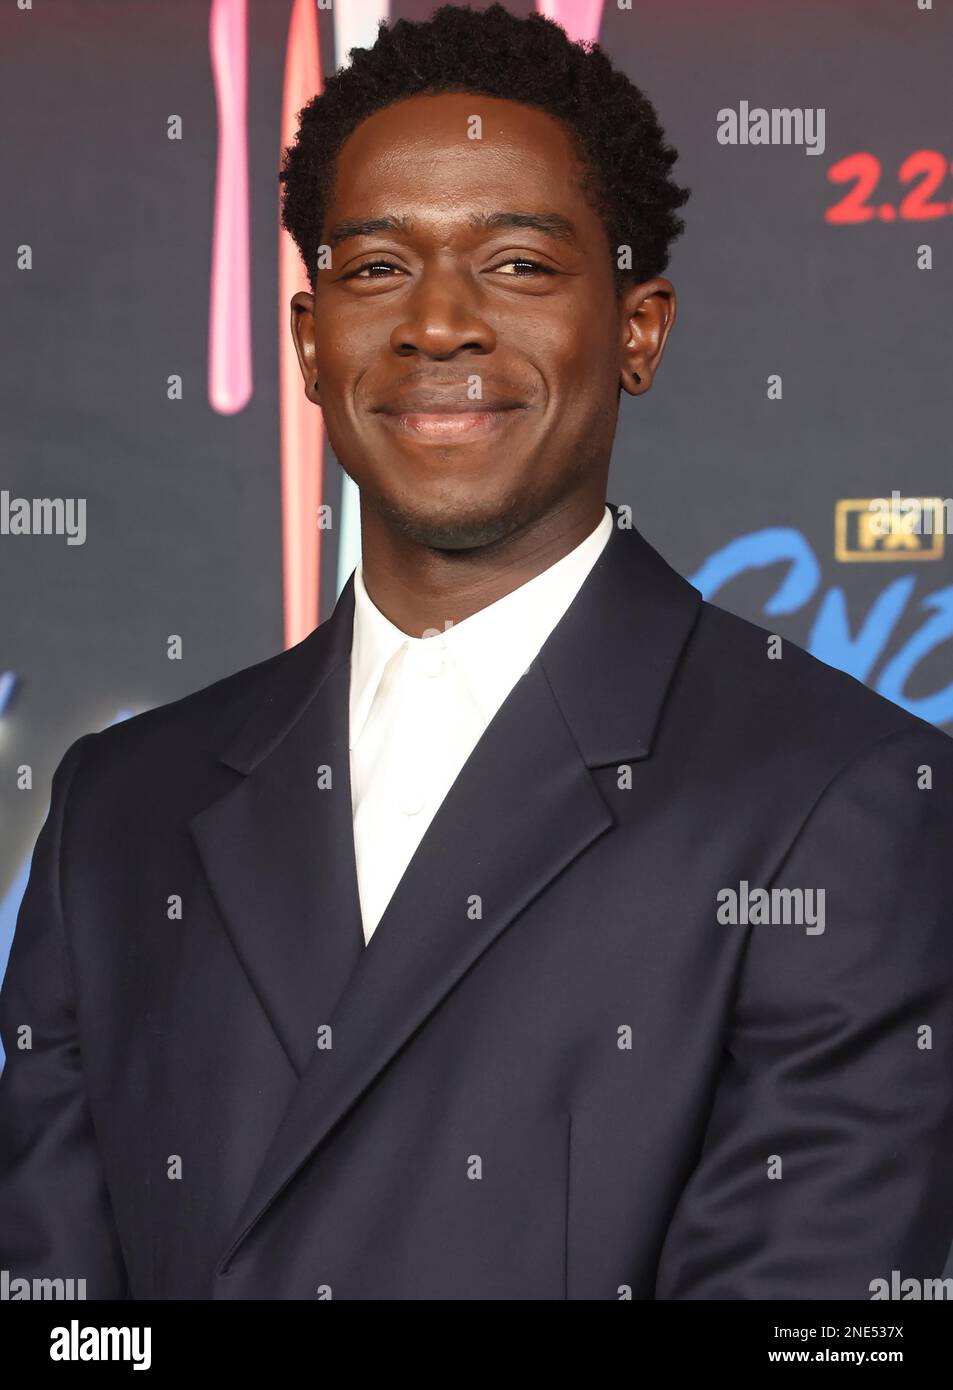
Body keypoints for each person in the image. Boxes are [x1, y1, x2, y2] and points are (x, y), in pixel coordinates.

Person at [2, 3, 952, 1301]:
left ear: (637, 330)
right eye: (376, 266)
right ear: (304, 339)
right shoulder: (121, 807)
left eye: (514, 264)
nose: (435, 323)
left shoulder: (842, 798)